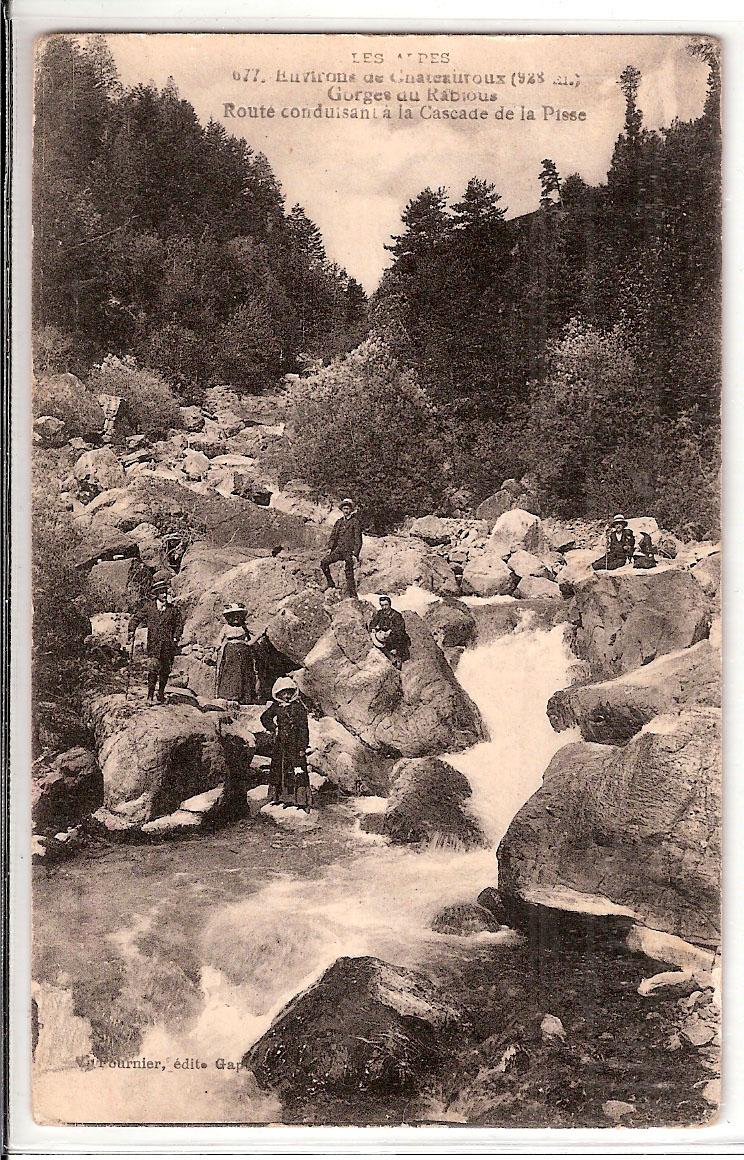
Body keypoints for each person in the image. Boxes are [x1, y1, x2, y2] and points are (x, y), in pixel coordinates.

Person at [128, 570, 183, 705]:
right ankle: (150, 696)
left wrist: (176, 637)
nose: (164, 595)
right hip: (153, 644)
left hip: (167, 645)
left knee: (165, 671)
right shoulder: (149, 607)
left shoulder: (173, 610)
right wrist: (131, 630)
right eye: (161, 592)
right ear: (156, 594)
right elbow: (136, 618)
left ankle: (161, 692)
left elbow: (179, 625)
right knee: (152, 669)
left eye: (165, 592)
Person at [260, 677, 312, 810]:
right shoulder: (276, 707)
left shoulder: (299, 707)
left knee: (297, 770)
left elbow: (304, 728)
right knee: (279, 769)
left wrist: (302, 746)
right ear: (278, 694)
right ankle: (279, 797)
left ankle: (299, 800)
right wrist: (274, 727)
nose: (287, 696)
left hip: (295, 745)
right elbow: (265, 717)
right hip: (281, 744)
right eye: (283, 693)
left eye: (289, 692)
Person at [215, 604, 258, 705]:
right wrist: (217, 647)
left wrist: (250, 643)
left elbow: (257, 633)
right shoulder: (225, 627)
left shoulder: (244, 626)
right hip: (230, 650)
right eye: (233, 616)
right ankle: (229, 695)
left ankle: (245, 696)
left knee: (244, 671)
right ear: (228, 617)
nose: (235, 618)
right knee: (229, 671)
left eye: (238, 616)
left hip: (243, 651)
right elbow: (219, 639)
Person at [320, 498, 363, 597]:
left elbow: (358, 540)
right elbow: (333, 536)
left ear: (351, 510)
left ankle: (352, 594)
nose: (346, 511)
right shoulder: (339, 522)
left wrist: (355, 554)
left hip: (349, 551)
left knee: (349, 571)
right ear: (342, 510)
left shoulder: (355, 522)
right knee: (324, 563)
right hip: (338, 550)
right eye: (344, 509)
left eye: (348, 509)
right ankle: (330, 583)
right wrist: (330, 548)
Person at [368, 594, 410, 670]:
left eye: (386, 605)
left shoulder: (396, 615)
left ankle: (397, 658)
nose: (384, 607)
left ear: (390, 604)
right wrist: (373, 628)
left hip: (395, 636)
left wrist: (390, 631)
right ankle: (390, 657)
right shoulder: (380, 613)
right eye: (382, 605)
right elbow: (373, 623)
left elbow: (400, 628)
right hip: (384, 636)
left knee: (399, 639)